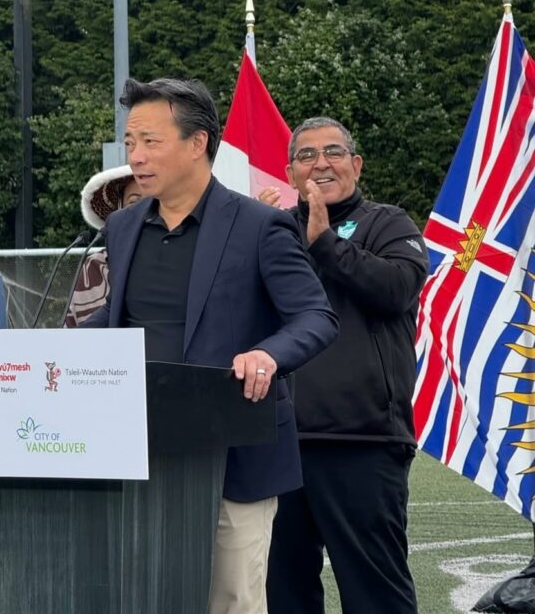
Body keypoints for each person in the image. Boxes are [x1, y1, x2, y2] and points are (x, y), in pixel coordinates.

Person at [82, 78, 338, 614]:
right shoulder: (124, 226)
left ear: (197, 144)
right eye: (130, 143)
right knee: (145, 594)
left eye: (150, 141)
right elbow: (121, 318)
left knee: (231, 601)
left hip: (235, 453)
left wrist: (268, 353)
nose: (136, 156)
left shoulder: (260, 224)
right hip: (138, 448)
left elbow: (315, 315)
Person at [261, 117, 429, 614]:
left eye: (333, 152)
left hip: (362, 439)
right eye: (306, 155)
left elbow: (397, 289)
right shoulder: (270, 230)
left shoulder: (389, 223)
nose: (321, 164)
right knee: (281, 591)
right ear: (290, 172)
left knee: (375, 593)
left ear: (355, 164)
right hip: (276, 441)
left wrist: (325, 242)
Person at [64, 164, 141, 326]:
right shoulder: (94, 266)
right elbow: (72, 336)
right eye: (134, 202)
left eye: (154, 203)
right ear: (119, 210)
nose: (144, 210)